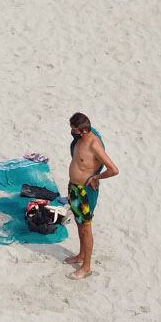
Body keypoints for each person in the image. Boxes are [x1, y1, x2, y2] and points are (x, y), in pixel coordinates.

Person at [66, 112, 118, 280]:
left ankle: (86, 267)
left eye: (73, 129)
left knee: (86, 228)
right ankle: (81, 255)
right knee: (79, 223)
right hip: (74, 188)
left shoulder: (94, 144)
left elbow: (113, 169)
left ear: (82, 130)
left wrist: (96, 177)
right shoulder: (79, 139)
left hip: (85, 192)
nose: (71, 131)